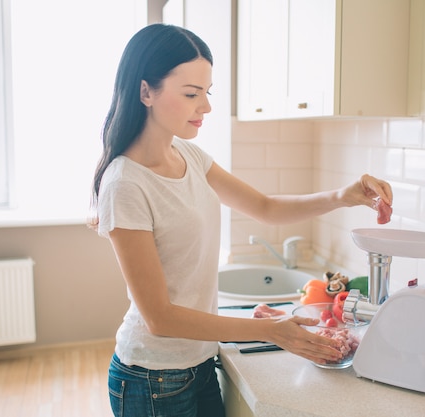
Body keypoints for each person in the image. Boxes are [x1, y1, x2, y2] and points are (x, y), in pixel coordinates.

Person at [89, 23, 393, 417]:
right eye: (191, 94)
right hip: (152, 378)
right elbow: (159, 317)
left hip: (198, 363)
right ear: (146, 91)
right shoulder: (125, 183)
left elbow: (266, 207)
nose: (206, 107)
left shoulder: (189, 157)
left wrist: (343, 196)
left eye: (207, 93)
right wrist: (272, 330)